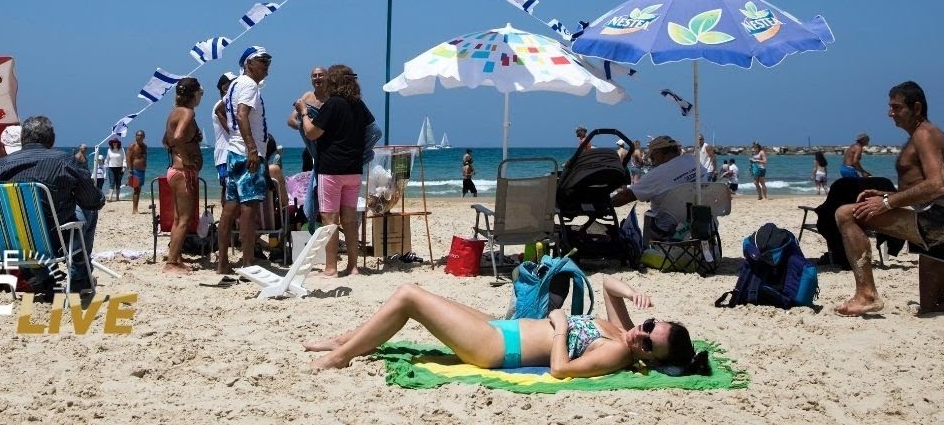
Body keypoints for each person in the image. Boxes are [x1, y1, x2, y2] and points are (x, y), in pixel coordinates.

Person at [833, 81, 944, 317]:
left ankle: (866, 294)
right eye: (890, 107)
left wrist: (887, 203)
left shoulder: (924, 134)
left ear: (916, 108)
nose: (890, 113)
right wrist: (889, 195)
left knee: (846, 214)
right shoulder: (926, 134)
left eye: (896, 107)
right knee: (932, 307)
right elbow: (928, 185)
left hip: (937, 220)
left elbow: (936, 185)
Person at [304, 276, 710, 378]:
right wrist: (634, 292)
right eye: (650, 326)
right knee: (416, 297)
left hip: (497, 347)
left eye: (646, 344)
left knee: (410, 295)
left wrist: (561, 326)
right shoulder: (625, 331)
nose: (640, 334)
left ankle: (341, 356)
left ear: (647, 358)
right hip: (505, 328)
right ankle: (346, 340)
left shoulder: (619, 352)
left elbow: (561, 370)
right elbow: (607, 284)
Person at [0, 115, 104, 296]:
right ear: (52, 139)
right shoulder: (65, 161)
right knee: (88, 211)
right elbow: (94, 201)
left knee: (32, 226)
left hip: (14, 241)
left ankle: (46, 278)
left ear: (23, 139)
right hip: (54, 240)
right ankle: (79, 276)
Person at [296, 63, 374, 278]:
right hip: (354, 169)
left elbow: (312, 133)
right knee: (350, 220)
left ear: (334, 81)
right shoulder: (359, 105)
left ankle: (331, 269)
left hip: (331, 169)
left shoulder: (333, 104)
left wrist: (304, 113)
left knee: (330, 220)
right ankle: (353, 267)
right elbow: (373, 130)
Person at [217, 45, 273, 275]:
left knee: (230, 207)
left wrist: (236, 138)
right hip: (247, 152)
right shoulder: (248, 85)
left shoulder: (235, 86)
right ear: (248, 63)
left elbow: (221, 109)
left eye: (268, 61)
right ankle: (248, 262)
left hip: (233, 151)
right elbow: (241, 114)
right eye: (262, 60)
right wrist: (251, 147)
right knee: (249, 209)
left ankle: (223, 263)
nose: (267, 65)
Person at [610, 135, 708, 238]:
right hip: (703, 222)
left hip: (670, 229)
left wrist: (607, 203)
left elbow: (625, 196)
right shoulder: (691, 160)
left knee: (648, 215)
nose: (652, 160)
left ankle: (647, 248)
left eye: (652, 156)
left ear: (660, 153)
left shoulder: (657, 174)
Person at [162, 78, 203, 274]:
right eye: (201, 92)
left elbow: (166, 140)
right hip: (182, 171)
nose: (201, 95)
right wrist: (186, 159)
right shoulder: (187, 112)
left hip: (174, 170)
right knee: (184, 219)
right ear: (194, 94)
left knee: (179, 218)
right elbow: (177, 137)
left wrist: (179, 153)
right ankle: (171, 264)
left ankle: (176, 257)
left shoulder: (173, 113)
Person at [287, 66, 329, 162]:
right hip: (312, 143)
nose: (317, 77)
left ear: (327, 78)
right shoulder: (307, 96)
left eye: (320, 75)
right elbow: (290, 120)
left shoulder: (332, 98)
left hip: (330, 143)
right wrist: (304, 127)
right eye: (314, 76)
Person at [211, 72, 234, 193]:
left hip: (229, 154)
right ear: (224, 87)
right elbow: (232, 131)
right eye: (232, 84)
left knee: (229, 191)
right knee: (228, 191)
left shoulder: (230, 106)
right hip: (224, 155)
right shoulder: (220, 106)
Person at [128, 130, 148, 215]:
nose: (139, 137)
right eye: (138, 135)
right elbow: (128, 158)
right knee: (136, 189)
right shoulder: (132, 146)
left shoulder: (144, 146)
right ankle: (134, 210)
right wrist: (130, 170)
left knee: (139, 189)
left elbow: (144, 157)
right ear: (135, 136)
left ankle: (136, 208)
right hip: (135, 170)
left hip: (142, 170)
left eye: (141, 135)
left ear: (144, 137)